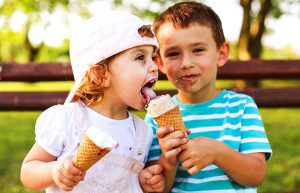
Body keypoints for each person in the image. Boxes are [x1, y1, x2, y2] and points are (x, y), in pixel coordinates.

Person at [20, 11, 165, 193]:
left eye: (152, 57)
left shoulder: (142, 131)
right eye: (140, 57)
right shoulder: (68, 120)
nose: (154, 67)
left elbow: (127, 182)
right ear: (100, 75)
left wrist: (145, 180)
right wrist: (54, 171)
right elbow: (28, 171)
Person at [145, 2, 272, 193]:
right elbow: (158, 188)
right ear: (160, 62)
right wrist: (168, 160)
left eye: (198, 50)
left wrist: (217, 152)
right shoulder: (157, 118)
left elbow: (256, 175)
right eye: (173, 53)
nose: (186, 63)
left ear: (221, 54)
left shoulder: (242, 107)